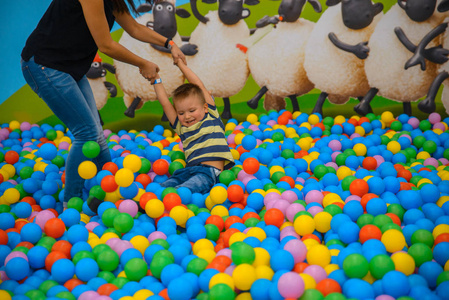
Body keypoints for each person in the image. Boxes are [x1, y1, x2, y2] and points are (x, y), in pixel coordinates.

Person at [21, 0, 186, 209]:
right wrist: (143, 64)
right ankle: (70, 204)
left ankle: (105, 191)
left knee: (96, 135)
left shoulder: (113, 0)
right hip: (45, 65)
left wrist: (169, 44)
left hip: (70, 67)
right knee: (86, 134)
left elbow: (134, 28)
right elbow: (106, 44)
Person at [152, 60, 235, 194]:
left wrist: (180, 64)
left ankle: (175, 196)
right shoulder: (181, 127)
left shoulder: (211, 116)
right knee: (165, 186)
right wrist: (156, 80)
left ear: (205, 107)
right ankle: (151, 201)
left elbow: (198, 85)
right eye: (181, 113)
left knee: (186, 189)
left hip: (209, 172)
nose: (187, 116)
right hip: (187, 171)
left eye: (192, 110)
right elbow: (165, 103)